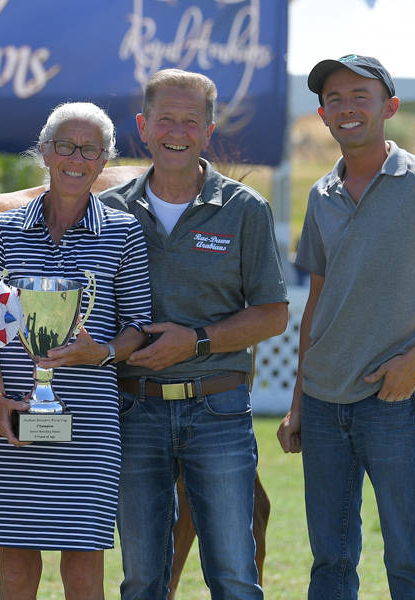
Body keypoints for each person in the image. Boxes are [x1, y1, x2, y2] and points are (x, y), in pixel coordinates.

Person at [277, 54, 415, 600]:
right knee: (330, 562)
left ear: (389, 107)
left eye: (359, 96)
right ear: (321, 115)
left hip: (390, 402)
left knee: (410, 557)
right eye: (334, 100)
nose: (346, 109)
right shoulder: (320, 194)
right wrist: (299, 402)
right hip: (321, 406)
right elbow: (317, 303)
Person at [97, 68, 288, 600]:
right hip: (135, 411)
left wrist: (197, 340)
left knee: (233, 575)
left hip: (219, 411)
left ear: (208, 130)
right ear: (142, 125)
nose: (176, 131)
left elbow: (273, 314)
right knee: (141, 580)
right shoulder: (110, 211)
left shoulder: (245, 209)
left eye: (190, 120)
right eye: (165, 119)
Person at [0, 102, 153, 600]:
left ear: (105, 159)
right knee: (15, 571)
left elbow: (137, 328)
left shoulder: (124, 232)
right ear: (45, 152)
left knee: (85, 572)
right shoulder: (4, 230)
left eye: (90, 149)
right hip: (14, 416)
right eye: (65, 146)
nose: (77, 158)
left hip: (89, 422)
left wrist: (103, 353)